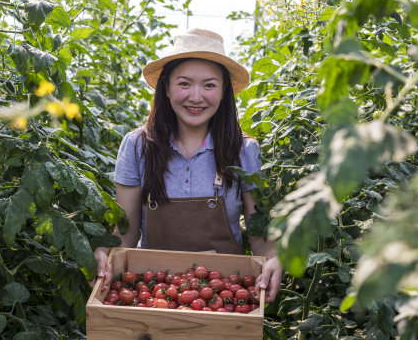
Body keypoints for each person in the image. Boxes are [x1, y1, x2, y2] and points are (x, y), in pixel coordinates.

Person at [91, 28, 282, 302]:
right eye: (184, 83)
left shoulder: (243, 151)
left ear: (224, 90)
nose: (196, 96)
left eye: (209, 85)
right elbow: (125, 232)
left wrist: (275, 260)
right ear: (166, 87)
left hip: (222, 296)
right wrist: (105, 254)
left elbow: (261, 237)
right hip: (154, 290)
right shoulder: (137, 146)